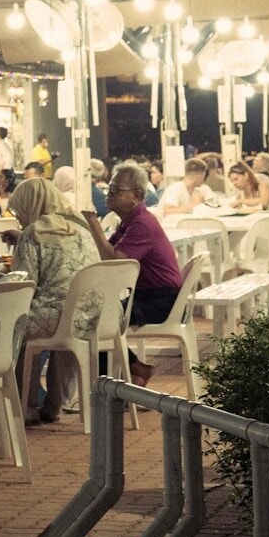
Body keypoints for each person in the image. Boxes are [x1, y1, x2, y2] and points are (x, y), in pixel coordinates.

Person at [7, 178, 100, 423]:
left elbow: (23, 284)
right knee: (63, 320)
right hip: (94, 316)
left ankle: (24, 405)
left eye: (19, 211)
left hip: (55, 320)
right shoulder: (81, 227)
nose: (19, 218)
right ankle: (56, 403)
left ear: (31, 204)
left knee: (14, 324)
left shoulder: (32, 234)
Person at [80, 161, 181, 388]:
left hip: (162, 300)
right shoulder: (130, 221)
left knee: (99, 320)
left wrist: (93, 222)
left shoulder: (142, 223)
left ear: (136, 195)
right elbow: (105, 251)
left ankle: (111, 388)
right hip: (149, 294)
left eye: (117, 190)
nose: (109, 194)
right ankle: (132, 372)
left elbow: (115, 261)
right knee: (100, 315)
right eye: (110, 189)